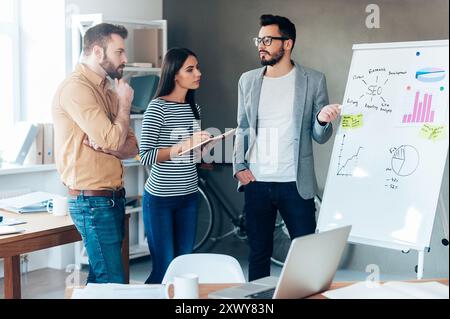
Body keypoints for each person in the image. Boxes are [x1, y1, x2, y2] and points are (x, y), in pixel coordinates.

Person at [232, 14, 341, 281]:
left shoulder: (313, 80)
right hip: (257, 183)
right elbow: (242, 126)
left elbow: (320, 136)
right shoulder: (248, 80)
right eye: (259, 39)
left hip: (296, 183)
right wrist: (239, 167)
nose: (261, 45)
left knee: (307, 258)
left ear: (287, 43)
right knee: (258, 255)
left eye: (268, 39)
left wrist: (321, 120)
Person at [52, 23, 138, 283]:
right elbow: (113, 137)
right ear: (99, 52)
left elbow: (132, 146)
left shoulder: (108, 90)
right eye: (120, 52)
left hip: (111, 198)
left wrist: (110, 142)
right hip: (92, 201)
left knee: (104, 279)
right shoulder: (76, 89)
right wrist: (124, 107)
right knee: (111, 280)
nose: (125, 59)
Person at [139, 48, 211, 283]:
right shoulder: (156, 108)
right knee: (164, 270)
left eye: (197, 67)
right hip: (160, 200)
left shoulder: (194, 108)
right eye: (190, 69)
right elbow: (146, 155)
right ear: (174, 75)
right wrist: (183, 145)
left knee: (183, 268)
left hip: (189, 197)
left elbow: (191, 154)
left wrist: (204, 149)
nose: (198, 73)